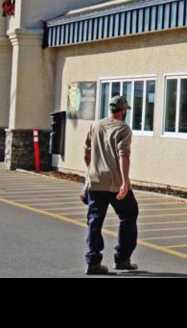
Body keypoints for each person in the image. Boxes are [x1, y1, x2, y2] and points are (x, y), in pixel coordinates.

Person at [83, 95, 139, 274]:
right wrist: (124, 182)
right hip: (115, 182)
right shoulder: (123, 129)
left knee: (95, 220)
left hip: (95, 181)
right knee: (129, 214)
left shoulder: (96, 125)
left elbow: (87, 153)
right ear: (123, 111)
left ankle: (93, 261)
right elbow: (124, 156)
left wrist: (90, 175)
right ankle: (122, 258)